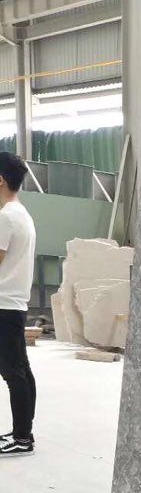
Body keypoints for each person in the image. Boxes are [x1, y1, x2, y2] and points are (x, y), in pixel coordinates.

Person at [0, 151, 36, 457]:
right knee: (20, 370)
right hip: (15, 304)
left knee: (13, 373)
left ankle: (22, 438)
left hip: (4, 305)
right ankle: (23, 433)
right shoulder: (21, 213)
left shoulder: (6, 217)